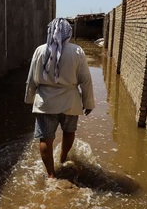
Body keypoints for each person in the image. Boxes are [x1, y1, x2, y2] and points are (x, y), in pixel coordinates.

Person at [24, 17, 95, 179]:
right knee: (69, 132)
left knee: (45, 137)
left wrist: (29, 99)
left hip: (45, 103)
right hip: (70, 102)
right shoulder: (77, 51)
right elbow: (85, 80)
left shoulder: (40, 50)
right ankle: (63, 157)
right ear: (68, 33)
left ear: (50, 31)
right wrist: (88, 103)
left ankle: (51, 174)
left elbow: (32, 78)